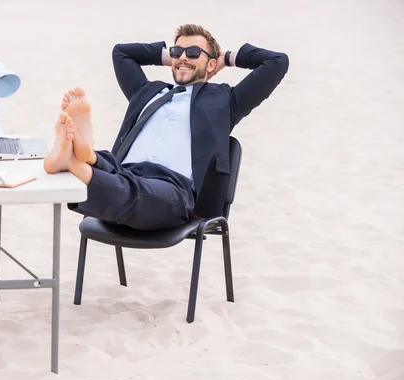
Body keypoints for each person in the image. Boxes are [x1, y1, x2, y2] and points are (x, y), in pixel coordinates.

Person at [44, 24, 289, 231]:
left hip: (174, 189)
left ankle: (77, 162)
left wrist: (227, 57)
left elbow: (277, 61)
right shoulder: (149, 91)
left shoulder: (226, 100)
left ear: (212, 65)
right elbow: (121, 53)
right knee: (114, 169)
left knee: (133, 190)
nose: (183, 57)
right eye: (177, 52)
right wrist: (179, 59)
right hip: (123, 170)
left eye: (193, 52)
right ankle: (88, 156)